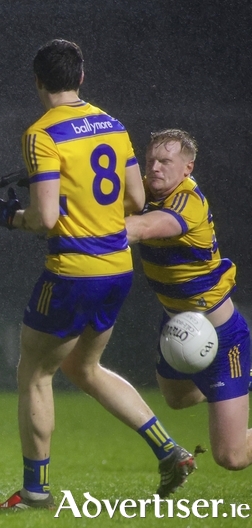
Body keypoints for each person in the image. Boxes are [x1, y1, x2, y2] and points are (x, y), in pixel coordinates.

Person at [0, 40, 195, 510]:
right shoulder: (113, 124)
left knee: (35, 374)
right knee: (83, 366)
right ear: (81, 78)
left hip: (72, 270)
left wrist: (11, 217)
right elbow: (136, 201)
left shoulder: (42, 133)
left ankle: (35, 491)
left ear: (38, 81)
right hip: (117, 268)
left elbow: (43, 219)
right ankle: (169, 450)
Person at [125, 129, 252, 470]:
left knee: (232, 456)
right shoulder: (143, 190)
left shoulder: (187, 201)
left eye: (165, 161)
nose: (155, 168)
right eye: (150, 160)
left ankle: (237, 380)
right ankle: (231, 391)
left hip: (222, 335)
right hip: (178, 325)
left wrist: (83, 229)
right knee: (177, 398)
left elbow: (141, 229)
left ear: (187, 169)